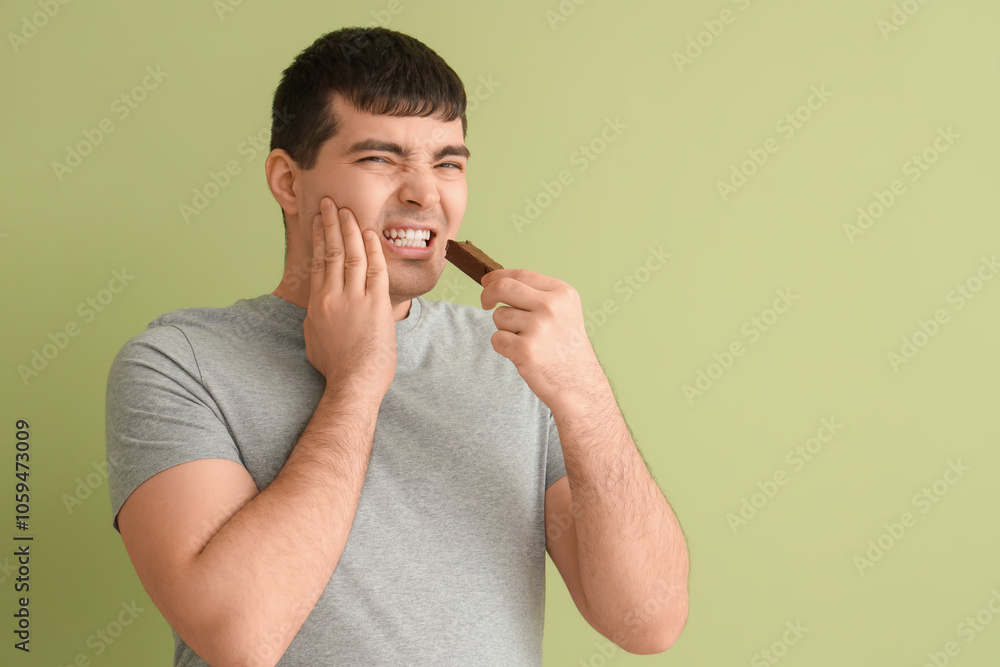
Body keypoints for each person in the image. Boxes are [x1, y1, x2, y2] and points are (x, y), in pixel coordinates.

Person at [105, 26, 689, 667]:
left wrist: (585, 393)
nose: (424, 193)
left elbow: (647, 622)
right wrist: (356, 381)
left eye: (448, 163)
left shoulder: (509, 359)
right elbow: (239, 638)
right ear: (288, 182)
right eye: (380, 159)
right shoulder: (179, 364)